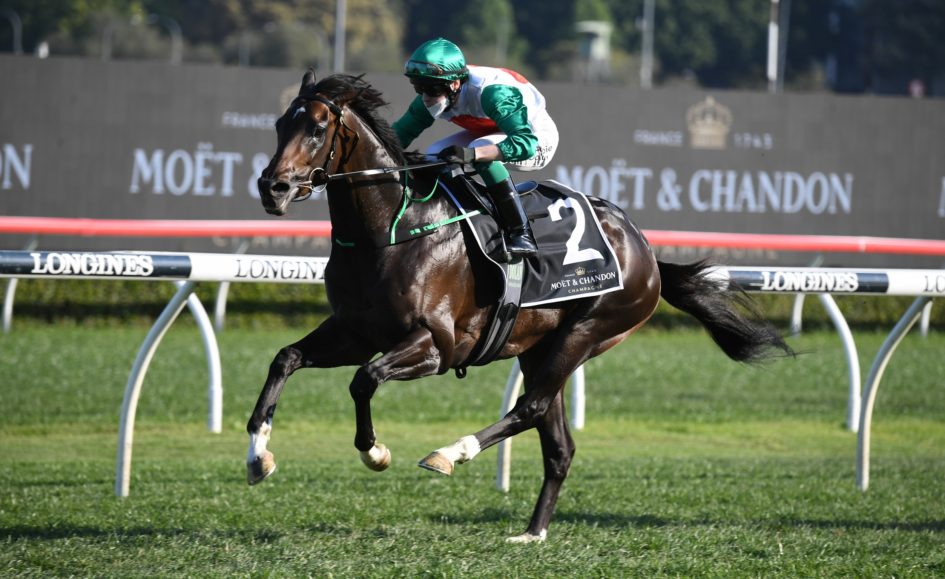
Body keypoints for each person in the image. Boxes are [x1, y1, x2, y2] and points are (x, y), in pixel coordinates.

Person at [392, 38, 559, 258]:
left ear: (454, 84)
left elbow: (525, 144)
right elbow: (396, 138)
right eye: (418, 87)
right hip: (492, 130)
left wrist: (473, 154)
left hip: (534, 137)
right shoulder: (437, 92)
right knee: (434, 154)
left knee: (480, 149)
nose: (425, 97)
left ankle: (521, 231)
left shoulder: (493, 93)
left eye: (430, 89)